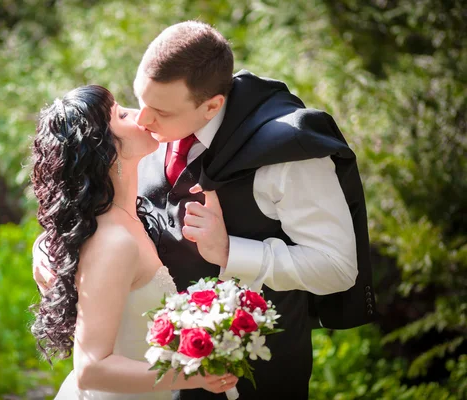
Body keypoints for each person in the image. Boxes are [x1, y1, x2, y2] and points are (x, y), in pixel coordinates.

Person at [35, 21, 376, 400]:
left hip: (257, 381)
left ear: (210, 105)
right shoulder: (147, 135)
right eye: (138, 100)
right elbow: (98, 205)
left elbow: (340, 268)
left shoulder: (287, 153)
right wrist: (53, 248)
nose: (144, 119)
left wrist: (231, 251)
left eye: (160, 111)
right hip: (156, 379)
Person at [29, 85, 238, 400]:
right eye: (122, 114)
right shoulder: (114, 242)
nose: (142, 115)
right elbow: (90, 369)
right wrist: (194, 374)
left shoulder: (127, 217)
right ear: (105, 149)